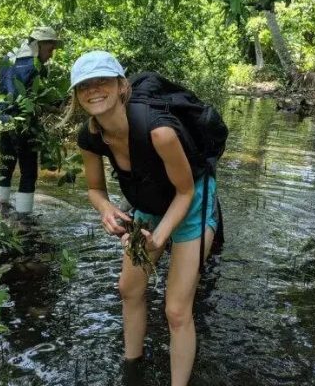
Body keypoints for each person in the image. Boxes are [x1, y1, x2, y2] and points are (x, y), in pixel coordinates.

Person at [67, 51, 219, 386]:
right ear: (77, 96)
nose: (93, 90)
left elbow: (185, 193)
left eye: (102, 81)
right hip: (149, 203)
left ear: (121, 86)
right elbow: (95, 189)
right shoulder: (89, 137)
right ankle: (131, 370)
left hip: (190, 202)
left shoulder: (158, 131)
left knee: (177, 310)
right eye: (84, 85)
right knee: (129, 289)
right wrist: (107, 210)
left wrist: (160, 237)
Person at [0, 26, 62, 217]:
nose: (51, 55)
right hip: (24, 124)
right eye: (50, 50)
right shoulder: (34, 66)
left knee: (5, 164)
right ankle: (24, 219)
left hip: (3, 120)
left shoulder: (9, 58)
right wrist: (52, 105)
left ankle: (0, 207)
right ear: (39, 45)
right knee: (28, 172)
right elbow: (32, 99)